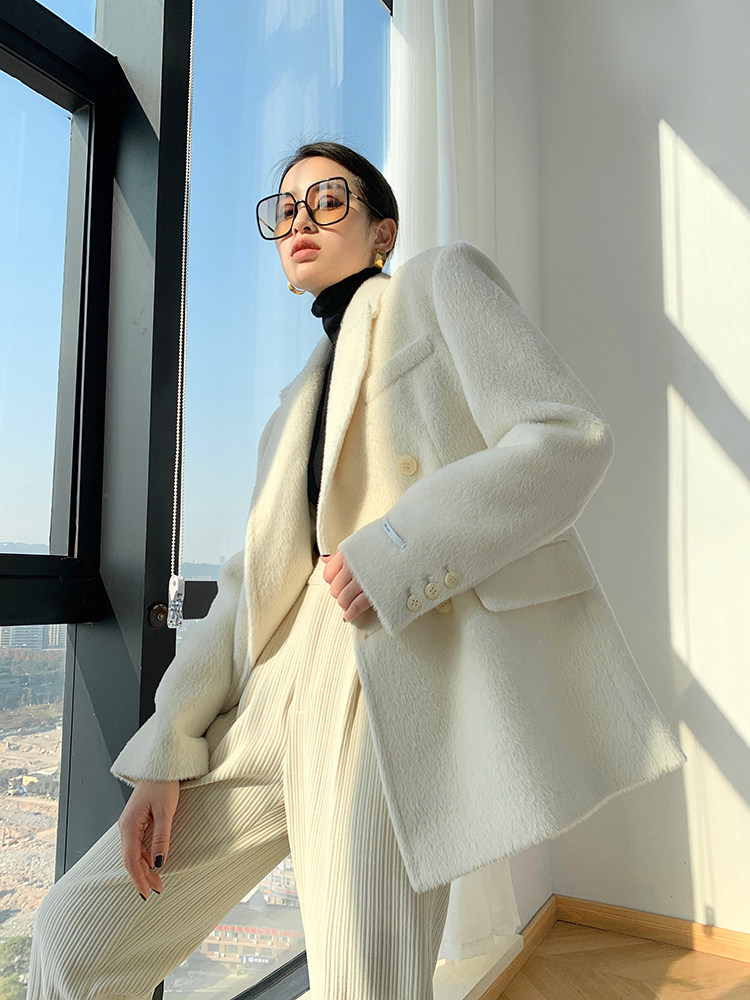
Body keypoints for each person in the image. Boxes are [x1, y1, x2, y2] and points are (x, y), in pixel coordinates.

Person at [26, 141, 687, 1000]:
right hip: (270, 686)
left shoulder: (439, 284)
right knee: (74, 934)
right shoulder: (291, 407)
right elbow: (244, 589)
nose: (300, 219)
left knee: (362, 982)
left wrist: (396, 551)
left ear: (383, 230)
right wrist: (166, 749)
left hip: (381, 665)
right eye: (285, 209)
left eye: (328, 200)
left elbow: (565, 437)